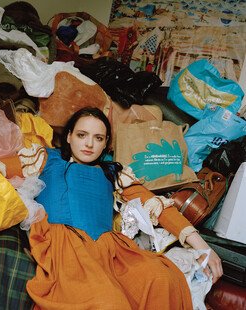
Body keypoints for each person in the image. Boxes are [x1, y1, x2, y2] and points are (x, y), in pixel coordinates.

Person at [26, 107, 223, 309]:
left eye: (99, 138)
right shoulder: (45, 159)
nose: (89, 144)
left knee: (162, 278)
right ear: (68, 136)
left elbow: (154, 205)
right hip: (66, 245)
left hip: (111, 249)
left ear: (105, 144)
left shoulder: (114, 173)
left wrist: (202, 246)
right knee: (108, 302)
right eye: (81, 135)